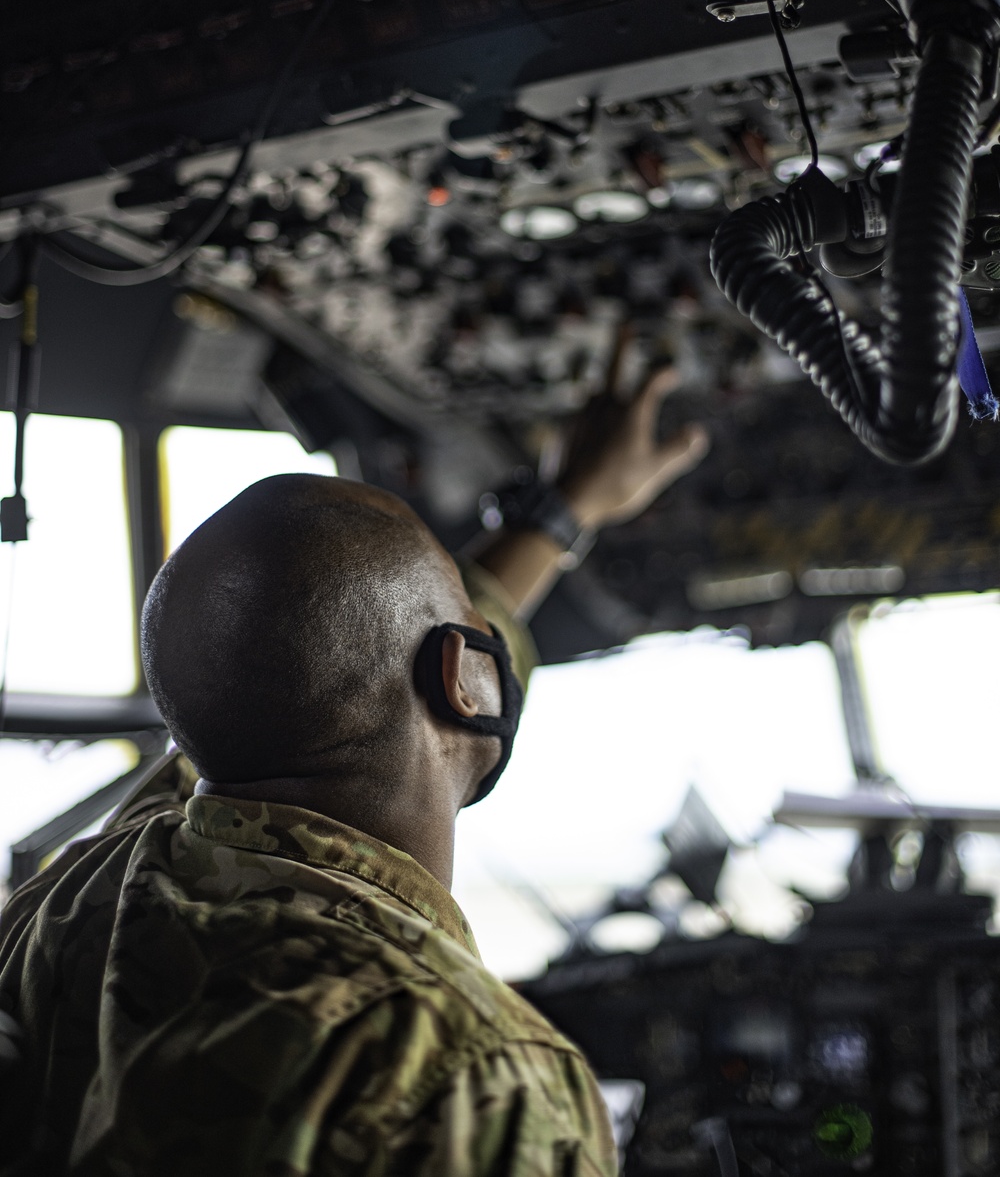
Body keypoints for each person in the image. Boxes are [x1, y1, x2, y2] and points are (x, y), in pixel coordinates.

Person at [0, 365, 707, 1176]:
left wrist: (563, 508)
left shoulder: (82, 894)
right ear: (461, 679)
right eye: (479, 631)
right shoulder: (474, 1073)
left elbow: (321, 658)